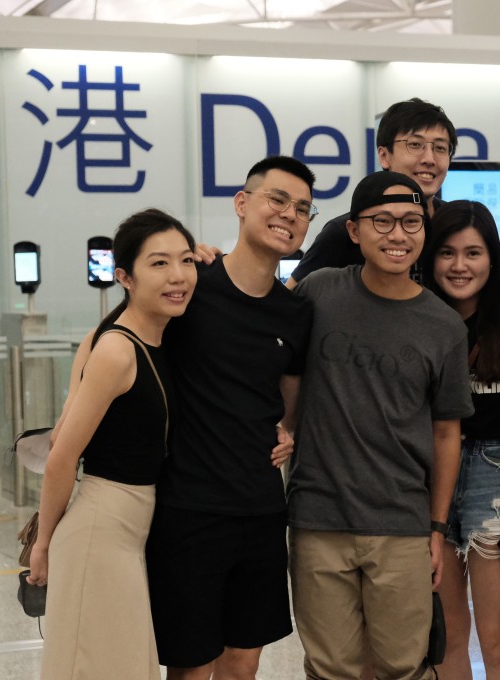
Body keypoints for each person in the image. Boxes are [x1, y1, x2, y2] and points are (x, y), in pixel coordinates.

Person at [287, 171, 474, 680]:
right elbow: (273, 346)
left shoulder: (443, 326)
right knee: (330, 668)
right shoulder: (319, 293)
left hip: (402, 524)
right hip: (317, 518)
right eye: (383, 222)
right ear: (354, 231)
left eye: (412, 222)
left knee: (402, 667)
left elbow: (445, 433)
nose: (398, 235)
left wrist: (436, 528)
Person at [146, 156, 315, 680]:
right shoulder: (191, 287)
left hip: (262, 512)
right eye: (277, 200)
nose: (289, 214)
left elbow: (289, 401)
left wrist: (284, 432)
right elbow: (122, 347)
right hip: (189, 510)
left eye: (303, 208)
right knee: (192, 666)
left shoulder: (294, 312)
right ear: (242, 204)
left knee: (243, 664)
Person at [28, 209, 197, 679]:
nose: (178, 276)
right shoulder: (117, 350)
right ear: (123, 276)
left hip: (132, 529)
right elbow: (63, 455)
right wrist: (43, 543)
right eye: (159, 264)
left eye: (186, 261)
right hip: (100, 529)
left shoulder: (158, 338)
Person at [423, 200, 500, 680]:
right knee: (446, 638)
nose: (459, 266)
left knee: (499, 640)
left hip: (498, 473)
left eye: (473, 253)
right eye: (446, 252)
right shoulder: (415, 316)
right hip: (428, 479)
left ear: (492, 257)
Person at [286, 97, 457, 288]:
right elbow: (292, 298)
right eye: (415, 145)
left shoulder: (455, 224)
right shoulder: (343, 232)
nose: (429, 159)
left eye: (440, 148)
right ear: (384, 156)